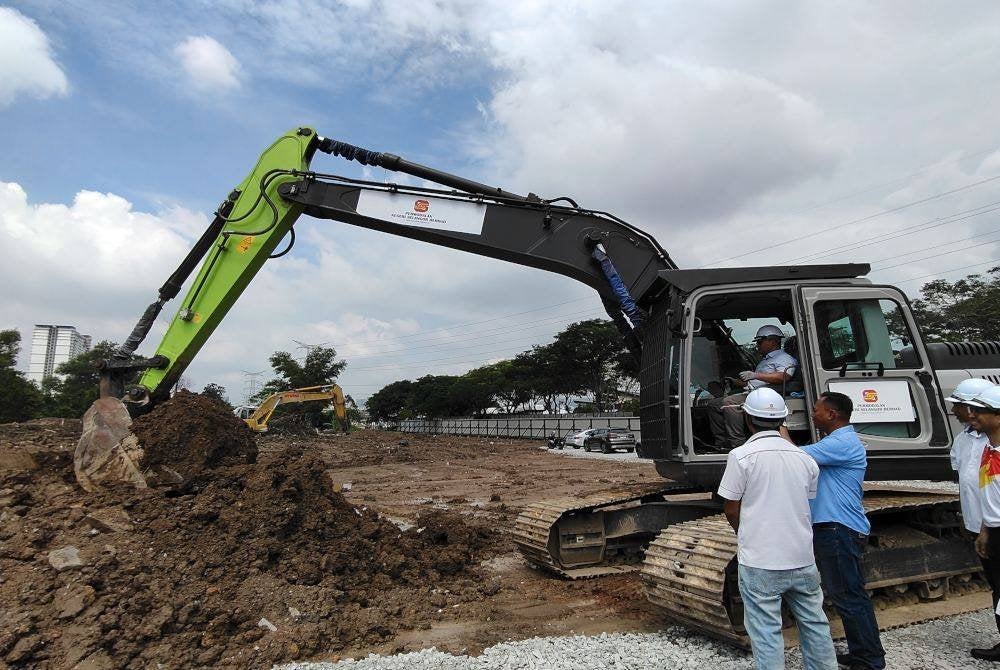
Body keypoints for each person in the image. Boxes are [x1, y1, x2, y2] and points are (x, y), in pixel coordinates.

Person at [718, 388, 837, 669]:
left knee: (765, 631)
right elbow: (803, 501)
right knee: (815, 623)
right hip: (802, 558)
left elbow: (731, 507)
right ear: (783, 418)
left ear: (747, 418)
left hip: (761, 561)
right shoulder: (805, 459)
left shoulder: (741, 456)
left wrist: (744, 532)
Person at [801, 391, 885, 670]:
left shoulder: (841, 443)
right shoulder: (835, 441)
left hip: (837, 529)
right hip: (836, 528)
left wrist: (777, 429)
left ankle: (869, 660)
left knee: (849, 597)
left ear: (832, 414)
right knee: (848, 595)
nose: (812, 414)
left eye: (816, 410)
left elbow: (793, 456)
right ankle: (864, 652)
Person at [708, 325, 798, 449]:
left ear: (773, 341)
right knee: (714, 404)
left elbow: (784, 376)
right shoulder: (765, 360)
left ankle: (737, 444)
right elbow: (756, 381)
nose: (758, 345)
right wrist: (736, 382)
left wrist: (755, 375)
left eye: (760, 341)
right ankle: (722, 442)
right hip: (753, 391)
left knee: (729, 403)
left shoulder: (784, 358)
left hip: (766, 396)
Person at [971, 384, 1000, 661]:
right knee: (998, 589)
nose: (973, 415)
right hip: (993, 530)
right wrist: (984, 530)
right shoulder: (988, 448)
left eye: (980, 411)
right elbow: (989, 495)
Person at [947, 379, 993, 535]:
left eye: (957, 405)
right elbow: (964, 482)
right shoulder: (961, 440)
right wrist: (963, 515)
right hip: (973, 525)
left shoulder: (994, 442)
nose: (953, 410)